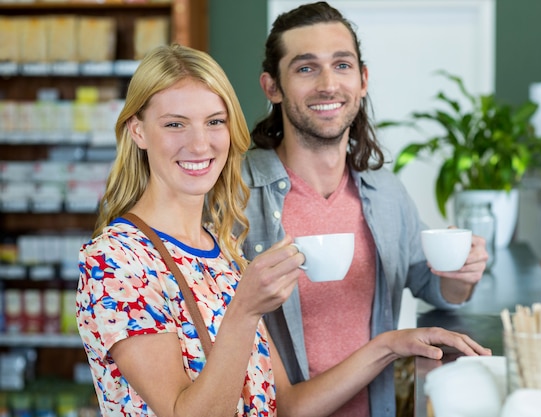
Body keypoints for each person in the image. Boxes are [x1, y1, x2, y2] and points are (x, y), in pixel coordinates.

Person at [241, 2, 490, 416]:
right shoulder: (236, 194)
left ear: (363, 80)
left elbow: (436, 288)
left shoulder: (384, 192)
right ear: (272, 87)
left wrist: (462, 274)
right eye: (306, 68)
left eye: (342, 65)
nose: (327, 84)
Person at [75, 44, 306, 416]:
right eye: (174, 124)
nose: (200, 144)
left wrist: (388, 347)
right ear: (138, 132)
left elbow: (288, 403)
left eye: (215, 121)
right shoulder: (116, 260)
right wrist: (245, 310)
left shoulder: (223, 247)